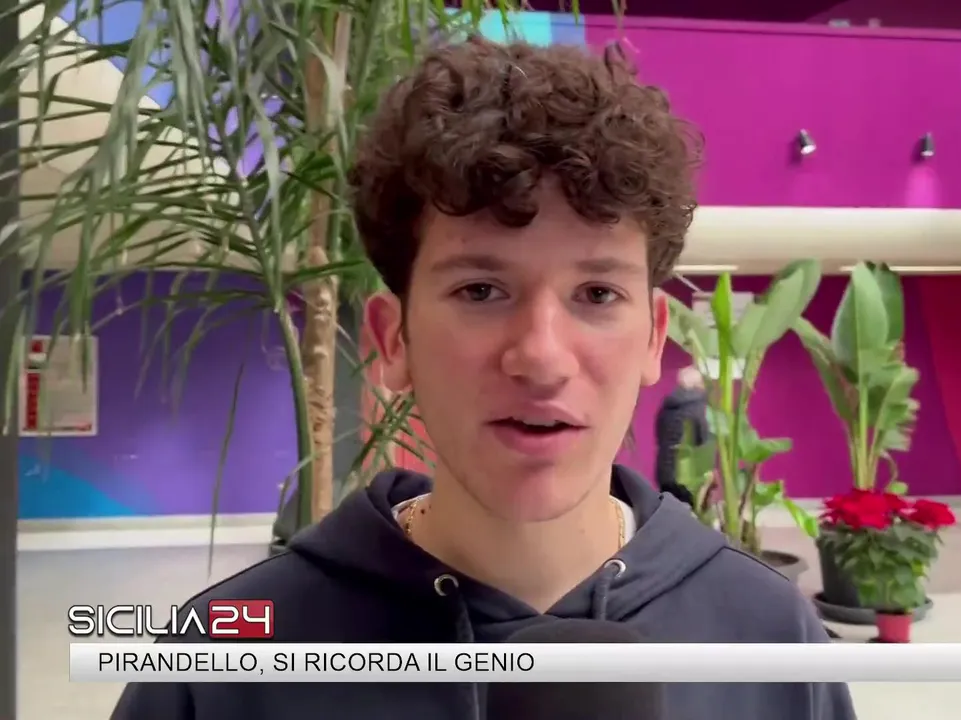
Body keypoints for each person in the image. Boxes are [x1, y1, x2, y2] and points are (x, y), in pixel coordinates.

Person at [110, 38, 855, 720]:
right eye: (480, 291)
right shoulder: (225, 660)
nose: (542, 357)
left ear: (654, 337)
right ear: (392, 339)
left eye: (597, 294)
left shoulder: (768, 635)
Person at [653, 365, 709, 506]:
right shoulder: (698, 407)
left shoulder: (667, 406)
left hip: (664, 471)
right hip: (687, 473)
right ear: (698, 384)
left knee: (668, 511)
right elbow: (702, 440)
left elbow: (659, 435)